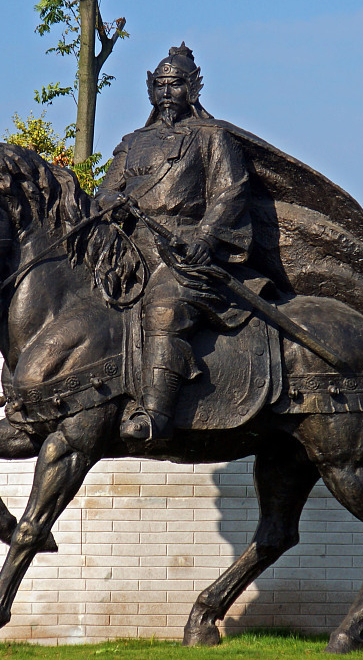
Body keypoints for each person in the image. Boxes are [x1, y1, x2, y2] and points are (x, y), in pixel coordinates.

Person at [96, 43, 254, 441]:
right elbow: (103, 193)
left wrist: (206, 236)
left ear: (194, 89)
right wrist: (111, 201)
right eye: (161, 85)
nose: (168, 92)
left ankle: (154, 415)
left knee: (165, 307)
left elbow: (230, 191)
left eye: (177, 84)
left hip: (183, 255)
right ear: (150, 89)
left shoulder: (213, 137)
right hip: (130, 253)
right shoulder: (131, 142)